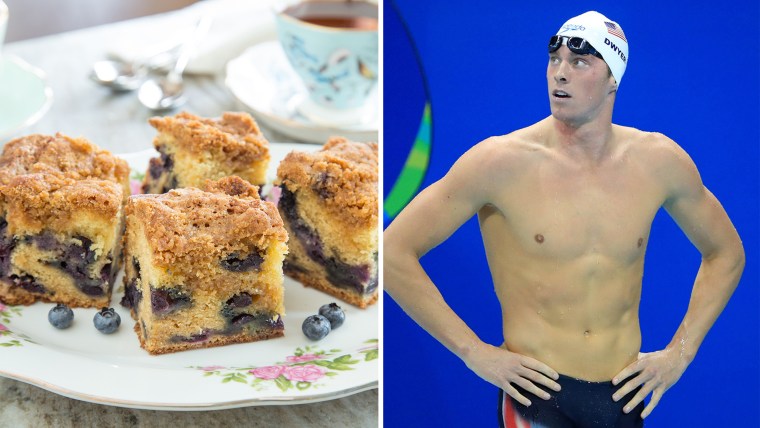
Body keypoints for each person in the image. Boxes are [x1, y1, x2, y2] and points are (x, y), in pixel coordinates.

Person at [383, 10, 745, 427]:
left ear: (613, 78)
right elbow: (394, 251)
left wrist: (681, 353)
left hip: (621, 398)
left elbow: (726, 254)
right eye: (554, 59)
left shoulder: (658, 162)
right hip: (536, 397)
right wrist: (473, 351)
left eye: (580, 62)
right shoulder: (499, 162)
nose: (560, 73)